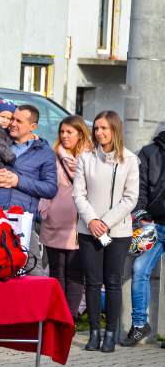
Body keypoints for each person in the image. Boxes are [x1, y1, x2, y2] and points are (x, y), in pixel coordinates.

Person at [73, 110, 139, 353]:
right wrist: (92, 220)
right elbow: (78, 193)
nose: (99, 133)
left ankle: (110, 334)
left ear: (115, 130)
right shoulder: (86, 157)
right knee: (91, 282)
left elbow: (131, 198)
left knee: (112, 282)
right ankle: (93, 332)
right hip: (89, 229)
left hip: (117, 232)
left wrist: (106, 222)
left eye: (104, 128)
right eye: (97, 128)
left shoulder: (130, 160)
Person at [38, 115, 92, 318]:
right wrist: (45, 209)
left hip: (78, 223)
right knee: (56, 271)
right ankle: (57, 314)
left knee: (75, 272)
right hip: (54, 220)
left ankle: (70, 316)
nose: (64, 136)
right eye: (62, 132)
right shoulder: (53, 156)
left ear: (80, 134)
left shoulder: (91, 158)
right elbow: (45, 184)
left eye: (69, 132)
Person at [122, 129, 165, 347]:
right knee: (139, 269)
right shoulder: (149, 152)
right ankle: (139, 325)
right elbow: (140, 191)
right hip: (154, 226)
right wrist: (142, 216)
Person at [0, 105, 57, 214]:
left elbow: (50, 189)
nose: (12, 123)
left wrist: (18, 181)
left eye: (19, 121)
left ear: (33, 127)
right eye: (12, 119)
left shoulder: (45, 152)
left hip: (21, 218)